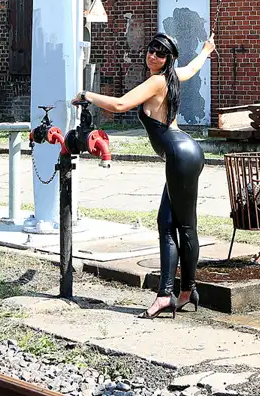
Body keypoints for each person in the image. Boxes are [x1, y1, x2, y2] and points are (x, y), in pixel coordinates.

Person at [73, 31, 215, 319]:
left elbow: (120, 105)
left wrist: (86, 95)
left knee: (181, 227)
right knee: (169, 222)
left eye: (160, 53)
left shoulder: (156, 81)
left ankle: (171, 293)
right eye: (152, 49)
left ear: (168, 59)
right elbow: (194, 67)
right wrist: (206, 49)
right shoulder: (175, 74)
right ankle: (183, 292)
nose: (153, 56)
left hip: (180, 155)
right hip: (185, 153)